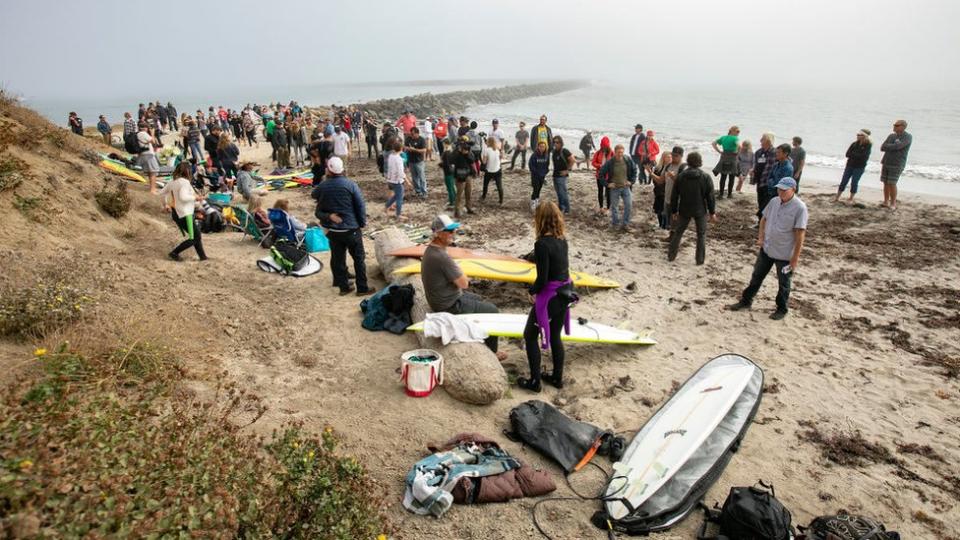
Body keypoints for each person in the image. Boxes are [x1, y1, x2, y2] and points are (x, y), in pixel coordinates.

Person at [421, 214, 506, 359]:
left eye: (453, 230)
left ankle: (482, 338)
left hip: (442, 299)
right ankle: (493, 352)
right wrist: (461, 274)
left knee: (480, 298)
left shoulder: (431, 250)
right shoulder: (441, 257)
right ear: (439, 234)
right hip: (448, 304)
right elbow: (464, 283)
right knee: (492, 310)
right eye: (449, 231)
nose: (453, 234)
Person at [728, 177, 807, 320]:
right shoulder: (774, 201)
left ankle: (782, 309)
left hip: (784, 254)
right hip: (767, 248)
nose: (781, 192)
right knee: (756, 276)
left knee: (784, 283)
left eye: (784, 190)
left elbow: (800, 234)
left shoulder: (800, 207)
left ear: (793, 190)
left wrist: (795, 257)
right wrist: (761, 237)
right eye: (779, 189)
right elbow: (764, 219)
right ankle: (746, 301)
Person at [517, 202, 573, 392]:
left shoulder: (541, 244)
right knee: (556, 335)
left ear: (539, 220)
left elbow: (542, 278)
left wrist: (531, 292)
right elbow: (560, 269)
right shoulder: (562, 240)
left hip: (552, 296)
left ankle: (535, 382)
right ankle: (557, 378)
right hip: (565, 292)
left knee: (530, 335)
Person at [311, 157, 375, 296]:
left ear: (329, 170)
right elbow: (360, 205)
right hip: (351, 228)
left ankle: (343, 287)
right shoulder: (350, 185)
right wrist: (362, 222)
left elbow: (314, 194)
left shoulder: (324, 185)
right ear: (342, 170)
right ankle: (362, 287)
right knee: (358, 258)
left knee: (338, 258)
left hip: (333, 230)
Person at [668, 152, 717, 265]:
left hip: (684, 208)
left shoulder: (681, 176)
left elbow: (674, 195)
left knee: (678, 232)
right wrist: (712, 212)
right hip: (700, 209)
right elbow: (710, 196)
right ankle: (699, 260)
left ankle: (671, 256)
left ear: (688, 161)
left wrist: (674, 210)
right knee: (701, 234)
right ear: (700, 162)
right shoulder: (705, 177)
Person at [159, 162, 206, 261]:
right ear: (188, 171)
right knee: (195, 237)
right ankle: (174, 253)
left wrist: (166, 205)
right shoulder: (184, 182)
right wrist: (195, 197)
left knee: (196, 235)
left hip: (176, 214)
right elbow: (183, 197)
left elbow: (161, 192)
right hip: (185, 214)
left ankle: (203, 257)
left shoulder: (172, 181)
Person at [598, 144, 639, 230]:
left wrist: (631, 181)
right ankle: (615, 224)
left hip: (625, 187)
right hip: (615, 188)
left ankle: (625, 224)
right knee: (614, 207)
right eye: (618, 152)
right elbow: (600, 174)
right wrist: (607, 184)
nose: (620, 154)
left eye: (622, 152)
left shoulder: (627, 159)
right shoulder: (610, 162)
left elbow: (635, 170)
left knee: (629, 205)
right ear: (615, 152)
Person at [880, 120, 912, 210]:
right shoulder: (891, 136)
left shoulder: (907, 136)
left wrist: (890, 146)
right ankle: (886, 201)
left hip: (897, 163)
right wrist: (893, 146)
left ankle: (893, 203)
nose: (894, 126)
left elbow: (899, 147)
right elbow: (882, 147)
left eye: (897, 125)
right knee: (885, 182)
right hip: (886, 161)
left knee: (892, 183)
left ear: (903, 127)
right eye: (894, 125)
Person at [836, 129, 872, 202]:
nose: (857, 136)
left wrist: (854, 155)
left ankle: (851, 198)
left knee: (854, 182)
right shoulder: (854, 144)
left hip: (859, 167)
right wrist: (856, 155)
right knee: (844, 181)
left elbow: (864, 157)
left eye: (860, 135)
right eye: (857, 134)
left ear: (864, 136)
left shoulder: (868, 145)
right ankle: (837, 197)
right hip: (850, 165)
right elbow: (847, 154)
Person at [752, 134, 777, 225]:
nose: (760, 141)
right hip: (759, 180)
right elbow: (756, 165)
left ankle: (764, 221)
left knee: (766, 203)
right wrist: (753, 172)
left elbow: (772, 168)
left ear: (768, 141)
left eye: (762, 139)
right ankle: (760, 221)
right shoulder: (759, 152)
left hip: (768, 182)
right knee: (760, 200)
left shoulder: (774, 152)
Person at [384, 139, 411, 220]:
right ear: (401, 148)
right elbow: (401, 172)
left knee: (396, 196)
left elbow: (390, 168)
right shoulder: (398, 159)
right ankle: (398, 215)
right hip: (398, 181)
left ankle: (386, 207)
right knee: (399, 198)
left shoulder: (391, 156)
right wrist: (407, 181)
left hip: (391, 179)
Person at [711, 125, 741, 198]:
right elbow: (740, 146)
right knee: (732, 176)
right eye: (737, 131)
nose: (738, 133)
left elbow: (713, 143)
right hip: (732, 158)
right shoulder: (735, 138)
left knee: (723, 176)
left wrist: (719, 151)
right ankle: (729, 194)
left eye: (739, 132)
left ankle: (721, 194)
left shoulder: (723, 138)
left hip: (724, 157)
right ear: (732, 131)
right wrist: (737, 153)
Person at [452, 137, 477, 218]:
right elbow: (452, 160)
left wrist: (466, 154)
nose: (464, 145)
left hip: (468, 174)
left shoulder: (468, 151)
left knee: (468, 192)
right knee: (459, 193)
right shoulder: (456, 151)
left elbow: (472, 160)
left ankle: (468, 207)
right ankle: (457, 210)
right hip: (459, 174)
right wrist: (459, 152)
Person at [551, 136, 574, 214]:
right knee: (558, 193)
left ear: (561, 143)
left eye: (557, 142)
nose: (555, 144)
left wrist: (567, 170)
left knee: (563, 192)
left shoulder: (564, 151)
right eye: (554, 142)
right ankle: (561, 207)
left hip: (561, 176)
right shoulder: (554, 151)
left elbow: (572, 160)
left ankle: (567, 209)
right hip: (555, 175)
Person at [591, 136, 614, 214]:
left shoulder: (612, 153)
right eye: (602, 146)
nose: (604, 147)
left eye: (605, 146)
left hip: (609, 176)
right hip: (599, 175)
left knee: (608, 192)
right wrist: (599, 165)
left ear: (608, 145)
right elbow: (593, 162)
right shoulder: (598, 153)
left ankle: (608, 208)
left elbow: (615, 163)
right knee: (600, 191)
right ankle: (601, 207)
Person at [136, 124, 160, 193]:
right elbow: (153, 141)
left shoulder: (138, 134)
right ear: (145, 128)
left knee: (150, 172)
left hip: (143, 154)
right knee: (153, 172)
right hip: (148, 155)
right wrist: (152, 133)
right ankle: (152, 190)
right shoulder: (143, 134)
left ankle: (152, 188)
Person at [404, 127, 428, 198]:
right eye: (411, 134)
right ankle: (418, 191)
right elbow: (404, 146)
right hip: (411, 161)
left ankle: (424, 192)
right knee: (414, 177)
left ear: (417, 133)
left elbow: (424, 150)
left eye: (413, 134)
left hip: (419, 161)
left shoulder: (422, 140)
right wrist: (408, 148)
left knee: (421, 177)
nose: (412, 135)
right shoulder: (408, 139)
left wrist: (415, 150)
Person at [528, 140, 550, 212]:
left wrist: (546, 171)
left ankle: (537, 201)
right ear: (538, 147)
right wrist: (536, 172)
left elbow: (547, 164)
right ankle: (533, 202)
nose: (542, 148)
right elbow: (531, 165)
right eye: (540, 147)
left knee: (539, 188)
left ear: (545, 147)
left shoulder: (546, 155)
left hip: (542, 175)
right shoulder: (534, 155)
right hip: (535, 175)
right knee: (535, 189)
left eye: (543, 147)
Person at [481, 136, 503, 204]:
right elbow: (500, 159)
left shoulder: (486, 150)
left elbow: (484, 162)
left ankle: (484, 196)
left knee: (485, 184)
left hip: (489, 170)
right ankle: (501, 199)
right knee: (499, 185)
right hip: (497, 170)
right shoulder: (497, 149)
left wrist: (482, 158)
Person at [438, 145, 457, 209]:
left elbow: (444, 163)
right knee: (452, 186)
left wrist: (440, 164)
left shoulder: (445, 155)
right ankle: (454, 199)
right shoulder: (450, 154)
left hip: (447, 173)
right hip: (451, 172)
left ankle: (452, 201)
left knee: (449, 188)